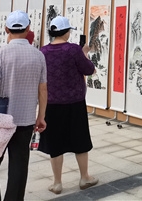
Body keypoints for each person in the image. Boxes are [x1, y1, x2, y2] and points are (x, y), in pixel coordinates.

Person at [0, 10, 48, 201]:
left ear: (6, 29)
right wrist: (41, 116)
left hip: (1, 119)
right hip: (25, 118)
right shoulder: (38, 55)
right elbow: (43, 89)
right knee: (19, 165)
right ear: (28, 29)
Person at [38, 16, 98, 194]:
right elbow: (89, 69)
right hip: (74, 102)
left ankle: (57, 182)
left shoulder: (43, 51)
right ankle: (84, 177)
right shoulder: (73, 50)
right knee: (80, 140)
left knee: (55, 144)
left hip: (51, 103)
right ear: (66, 32)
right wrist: (84, 53)